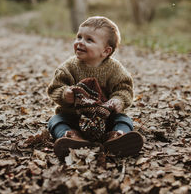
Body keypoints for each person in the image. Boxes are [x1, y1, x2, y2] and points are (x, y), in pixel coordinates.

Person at [47, 16, 143, 159]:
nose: (80, 42)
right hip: (74, 118)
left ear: (105, 51)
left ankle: (117, 137)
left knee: (124, 120)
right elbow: (55, 88)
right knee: (55, 121)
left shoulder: (114, 69)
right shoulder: (68, 68)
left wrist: (118, 100)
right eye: (79, 37)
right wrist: (64, 94)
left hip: (105, 118)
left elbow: (124, 88)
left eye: (89, 40)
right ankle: (72, 138)